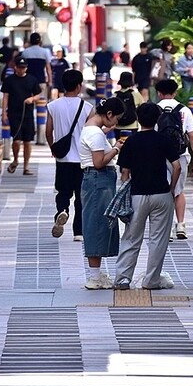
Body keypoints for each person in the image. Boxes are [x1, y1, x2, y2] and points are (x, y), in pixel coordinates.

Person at [113, 102, 181, 290]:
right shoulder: (163, 140)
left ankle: (123, 279)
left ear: (137, 118)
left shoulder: (131, 141)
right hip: (162, 194)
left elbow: (125, 172)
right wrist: (171, 188)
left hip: (137, 195)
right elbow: (177, 167)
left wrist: (125, 189)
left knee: (131, 238)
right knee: (158, 239)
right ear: (157, 119)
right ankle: (151, 280)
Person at [79, 97, 126, 289]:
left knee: (97, 222)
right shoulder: (95, 134)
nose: (115, 123)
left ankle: (96, 274)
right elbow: (98, 162)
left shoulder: (91, 128)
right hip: (98, 180)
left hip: (96, 180)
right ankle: (94, 277)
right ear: (109, 114)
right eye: (116, 119)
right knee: (97, 223)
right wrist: (116, 149)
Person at [46, 69, 94, 241]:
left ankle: (62, 210)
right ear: (79, 85)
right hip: (82, 159)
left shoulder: (53, 106)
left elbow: (48, 132)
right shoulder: (87, 108)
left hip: (63, 158)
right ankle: (78, 233)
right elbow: (91, 132)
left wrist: (53, 148)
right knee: (81, 197)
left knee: (63, 191)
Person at [155, 79, 193, 240]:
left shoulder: (154, 109)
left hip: (160, 156)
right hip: (180, 155)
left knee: (163, 191)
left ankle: (166, 228)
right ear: (175, 92)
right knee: (178, 191)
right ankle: (180, 225)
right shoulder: (184, 110)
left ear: (159, 93)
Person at [1, 56, 42, 175]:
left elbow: (38, 94)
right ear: (15, 67)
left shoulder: (32, 79)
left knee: (28, 141)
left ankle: (26, 166)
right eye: (19, 67)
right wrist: (4, 113)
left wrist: (32, 99)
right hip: (14, 113)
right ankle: (15, 159)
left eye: (23, 68)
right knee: (17, 140)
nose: (21, 69)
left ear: (26, 68)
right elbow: (5, 97)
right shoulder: (9, 80)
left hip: (27, 114)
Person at [20, 32, 53, 98]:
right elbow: (48, 68)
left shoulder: (25, 52)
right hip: (41, 80)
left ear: (30, 41)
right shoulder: (44, 52)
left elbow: (22, 68)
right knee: (41, 101)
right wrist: (50, 81)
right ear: (40, 41)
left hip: (28, 81)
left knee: (29, 101)